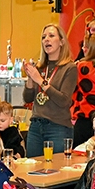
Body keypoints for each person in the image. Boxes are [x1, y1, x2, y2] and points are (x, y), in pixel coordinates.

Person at [22, 24, 78, 158]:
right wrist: (30, 78)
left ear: (62, 42)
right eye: (43, 37)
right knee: (32, 166)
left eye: (51, 36)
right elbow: (27, 98)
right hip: (36, 126)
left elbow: (64, 100)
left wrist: (40, 81)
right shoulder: (40, 67)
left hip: (58, 127)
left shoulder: (70, 68)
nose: (46, 39)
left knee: (56, 167)